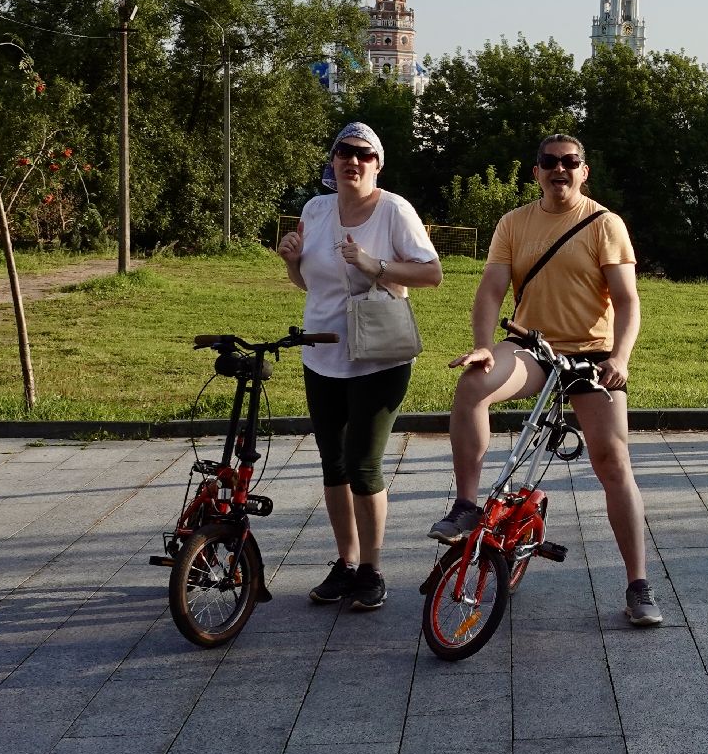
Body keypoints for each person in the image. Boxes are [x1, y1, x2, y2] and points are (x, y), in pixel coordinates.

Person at [430, 134, 661, 627]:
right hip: (534, 346)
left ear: (584, 171)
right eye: (549, 163)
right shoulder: (514, 223)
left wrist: (620, 355)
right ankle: (467, 505)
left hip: (593, 355)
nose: (560, 170)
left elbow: (627, 301)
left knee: (612, 460)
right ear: (535, 171)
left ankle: (638, 583)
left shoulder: (604, 224)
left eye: (570, 162)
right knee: (473, 384)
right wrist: (483, 345)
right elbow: (491, 289)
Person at [277, 123, 443, 609]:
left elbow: (432, 273)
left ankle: (372, 570)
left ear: (378, 164)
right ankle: (345, 563)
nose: (354, 161)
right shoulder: (316, 209)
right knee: (334, 465)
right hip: (321, 352)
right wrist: (290, 260)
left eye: (364, 155)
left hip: (378, 357)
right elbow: (310, 283)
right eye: (345, 152)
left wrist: (376, 266)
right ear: (332, 161)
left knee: (363, 465)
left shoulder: (393, 210)